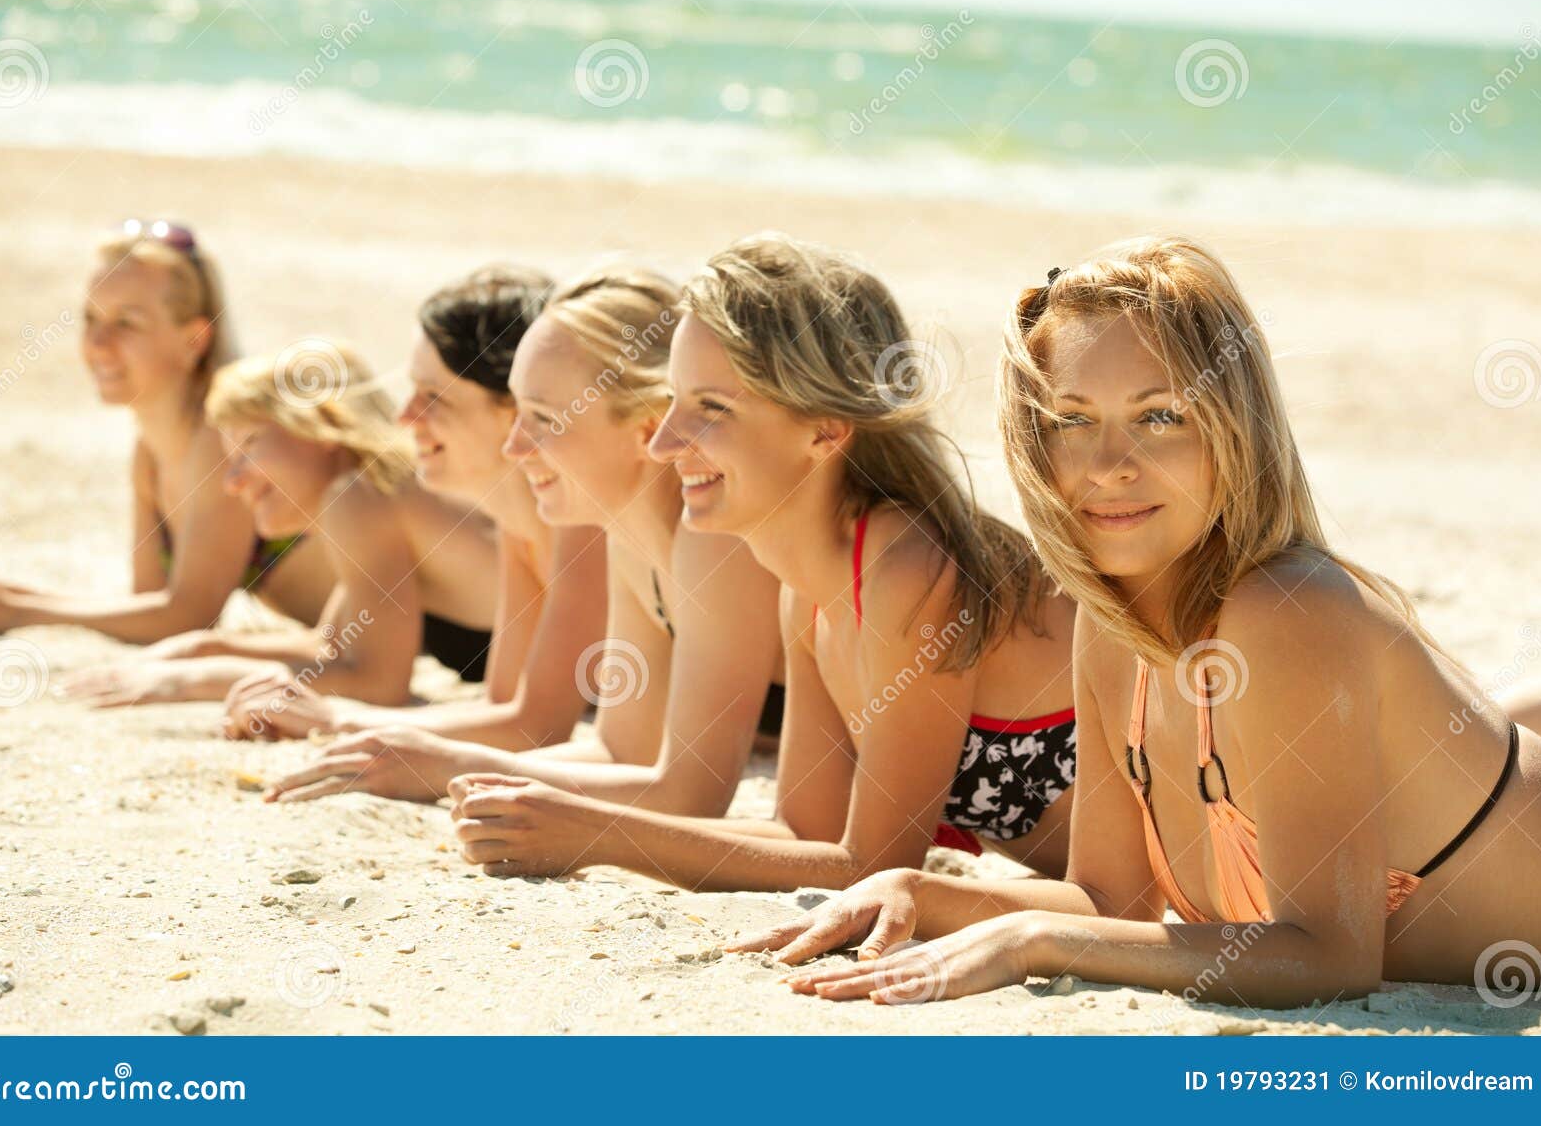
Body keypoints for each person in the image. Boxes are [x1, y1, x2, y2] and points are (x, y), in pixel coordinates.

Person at [728, 235, 1541, 1008]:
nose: (1110, 465)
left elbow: (1333, 958)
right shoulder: (1110, 621)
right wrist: (925, 891)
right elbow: (1107, 898)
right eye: (1072, 420)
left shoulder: (1289, 609)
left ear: (1234, 428)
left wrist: (1033, 938)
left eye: (1160, 415)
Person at [447, 234, 1077, 884]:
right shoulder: (807, 581)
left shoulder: (905, 568)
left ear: (824, 428)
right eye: (675, 402)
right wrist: (567, 817)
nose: (666, 441)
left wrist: (597, 833)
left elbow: (873, 865)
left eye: (710, 408)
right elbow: (804, 834)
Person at [263, 265, 786, 810]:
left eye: (540, 417)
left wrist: (441, 761)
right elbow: (621, 752)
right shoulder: (632, 535)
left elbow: (684, 795)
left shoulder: (712, 535)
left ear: (646, 428)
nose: (515, 447)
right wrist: (419, 754)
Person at [219, 266, 609, 747]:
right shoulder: (522, 524)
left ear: (515, 406)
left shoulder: (585, 519)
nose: (406, 417)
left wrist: (339, 720)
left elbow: (534, 727)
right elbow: (505, 708)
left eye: (433, 397)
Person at [60, 340, 499, 707]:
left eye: (250, 445)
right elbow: (329, 645)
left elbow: (378, 683)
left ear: (322, 426)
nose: (233, 481)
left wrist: (194, 682)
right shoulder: (371, 490)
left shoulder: (360, 496)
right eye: (230, 460)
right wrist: (202, 649)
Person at [0, 220, 331, 642]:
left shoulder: (222, 438)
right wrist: (1, 596)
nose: (98, 343)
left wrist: (12, 611)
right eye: (90, 319)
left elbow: (188, 616)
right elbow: (148, 604)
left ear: (194, 340)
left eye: (127, 323)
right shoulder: (148, 453)